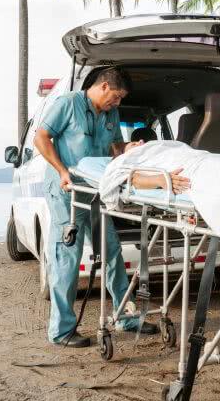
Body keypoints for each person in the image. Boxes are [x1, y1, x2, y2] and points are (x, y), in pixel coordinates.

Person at [33, 67, 159, 348]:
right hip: (66, 191)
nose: (118, 104)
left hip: (95, 190)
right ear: (103, 86)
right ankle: (62, 330)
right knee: (68, 257)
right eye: (116, 97)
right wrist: (62, 170)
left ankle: (126, 316)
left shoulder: (111, 113)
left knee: (111, 251)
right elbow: (41, 138)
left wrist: (127, 147)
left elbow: (111, 147)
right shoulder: (67, 104)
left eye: (120, 99)